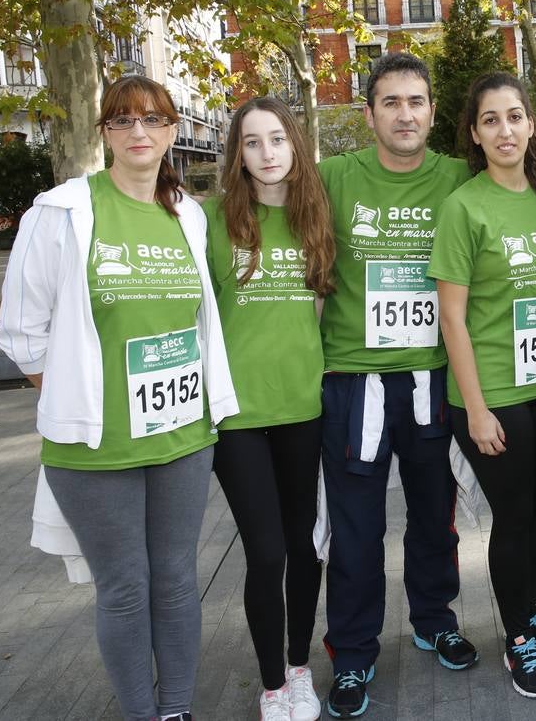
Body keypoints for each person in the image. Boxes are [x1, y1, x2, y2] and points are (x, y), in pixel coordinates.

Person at [0, 75, 238, 721]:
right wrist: (74, 399)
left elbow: (197, 319)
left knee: (178, 581)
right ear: (104, 131)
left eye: (153, 120)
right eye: (123, 120)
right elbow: (22, 333)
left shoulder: (187, 214)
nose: (139, 133)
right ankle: (141, 712)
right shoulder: (61, 213)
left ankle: (177, 708)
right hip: (95, 448)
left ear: (173, 130)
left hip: (183, 437)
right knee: (126, 589)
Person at [316, 52, 478, 719]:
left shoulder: (458, 180)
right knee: (356, 529)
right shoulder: (331, 178)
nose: (405, 113)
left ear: (433, 112)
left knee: (433, 514)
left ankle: (435, 618)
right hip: (354, 382)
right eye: (391, 102)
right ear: (369, 114)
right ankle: (352, 653)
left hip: (433, 378)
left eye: (416, 101)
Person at [429, 72, 536, 699]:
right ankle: (517, 634)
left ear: (531, 124)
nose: (505, 130)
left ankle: (528, 608)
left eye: (514, 116)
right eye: (490, 120)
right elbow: (452, 317)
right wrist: (477, 410)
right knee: (515, 514)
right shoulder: (464, 206)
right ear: (474, 133)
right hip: (495, 393)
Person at [205, 96, 335, 721]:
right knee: (266, 553)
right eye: (252, 142)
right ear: (237, 154)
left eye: (277, 139)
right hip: (237, 416)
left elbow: (317, 312)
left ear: (295, 146)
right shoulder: (210, 222)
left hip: (303, 407)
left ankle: (301, 665)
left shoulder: (317, 219)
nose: (266, 153)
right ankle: (272, 682)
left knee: (304, 546)